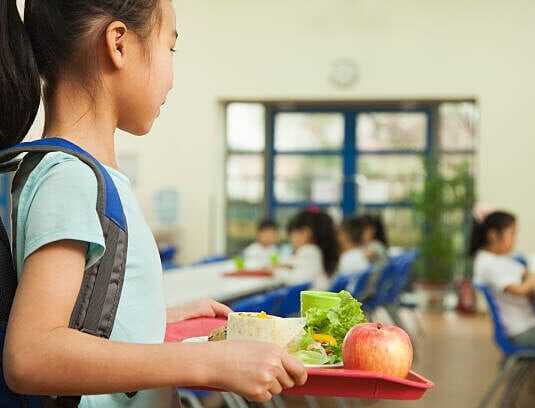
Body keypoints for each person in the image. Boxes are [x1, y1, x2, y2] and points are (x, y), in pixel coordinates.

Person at [0, 1, 306, 405]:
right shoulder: (70, 178)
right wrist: (206, 362)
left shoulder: (83, 175)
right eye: (170, 46)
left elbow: (81, 325)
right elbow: (32, 356)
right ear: (119, 44)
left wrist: (154, 322)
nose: (172, 77)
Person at [471, 211, 535, 346]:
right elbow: (520, 290)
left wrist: (533, 277)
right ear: (493, 235)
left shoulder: (499, 258)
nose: (515, 239)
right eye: (512, 233)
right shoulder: (487, 262)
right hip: (523, 331)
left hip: (530, 323)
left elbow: (525, 274)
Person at [284, 208, 339, 290]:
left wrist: (274, 272)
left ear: (306, 233)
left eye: (293, 233)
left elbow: (296, 281)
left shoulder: (309, 250)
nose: (291, 239)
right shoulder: (320, 251)